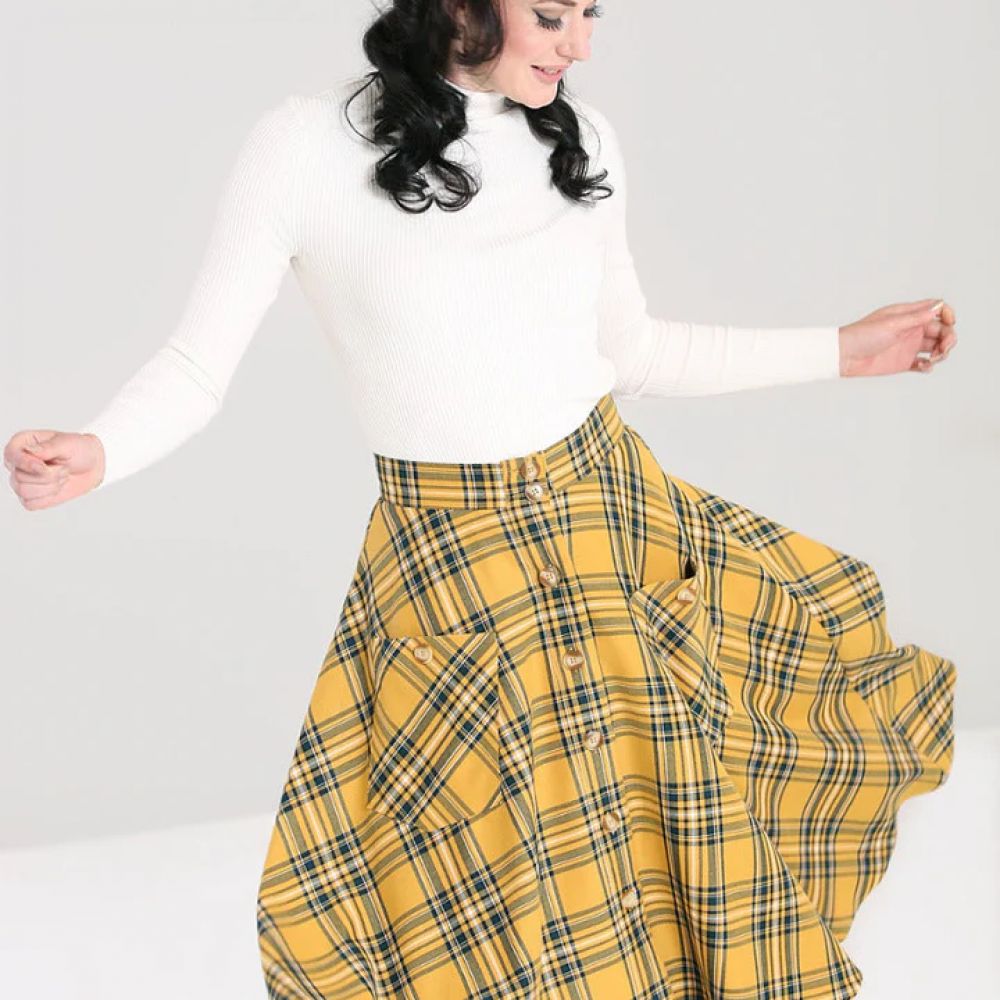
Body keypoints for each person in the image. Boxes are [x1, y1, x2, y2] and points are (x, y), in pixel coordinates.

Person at [6, 2, 959, 998]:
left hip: (609, 524)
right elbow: (197, 366)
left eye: (590, 13)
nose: (580, 44)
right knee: (489, 913)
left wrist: (842, 351)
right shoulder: (304, 147)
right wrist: (101, 448)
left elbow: (633, 352)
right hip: (456, 571)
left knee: (670, 867)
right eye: (550, 14)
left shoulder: (582, 140)